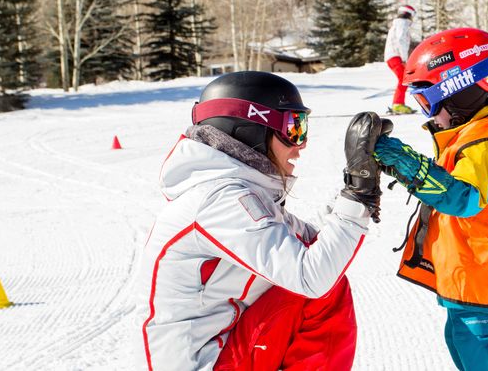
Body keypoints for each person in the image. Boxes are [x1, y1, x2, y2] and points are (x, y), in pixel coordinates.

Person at [136, 71, 391, 370]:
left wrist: (355, 187)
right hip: (202, 361)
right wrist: (358, 196)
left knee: (318, 277)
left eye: (302, 127)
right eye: (293, 128)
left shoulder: (235, 190)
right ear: (248, 130)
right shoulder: (219, 200)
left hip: (221, 347)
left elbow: (311, 245)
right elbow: (312, 276)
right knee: (321, 292)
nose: (302, 144)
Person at [373, 27, 488, 371]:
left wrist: (402, 160)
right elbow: (447, 182)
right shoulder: (475, 136)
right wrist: (393, 164)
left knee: (485, 358)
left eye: (427, 101)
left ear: (461, 90)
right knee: (464, 345)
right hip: (471, 273)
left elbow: (460, 197)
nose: (429, 114)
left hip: (484, 273)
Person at [384, 5, 417, 115]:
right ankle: (397, 104)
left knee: (403, 79)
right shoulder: (402, 24)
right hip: (396, 56)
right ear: (410, 14)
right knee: (403, 79)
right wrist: (404, 58)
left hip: (392, 56)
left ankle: (398, 103)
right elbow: (401, 40)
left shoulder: (398, 24)